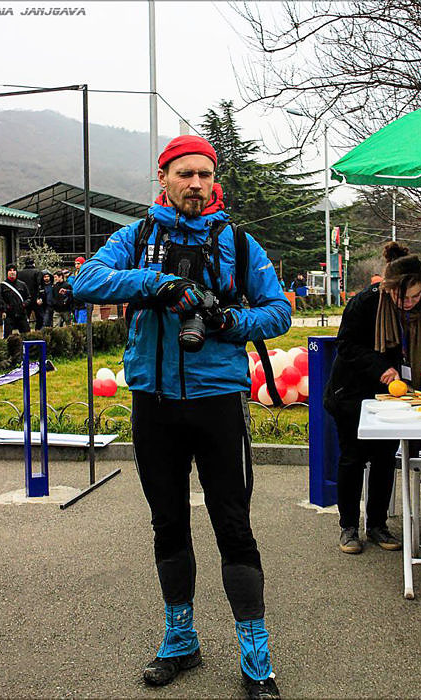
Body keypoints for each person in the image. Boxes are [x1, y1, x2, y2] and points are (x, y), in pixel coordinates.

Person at [73, 134, 291, 699]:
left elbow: (279, 312)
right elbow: (86, 281)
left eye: (204, 173)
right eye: (184, 173)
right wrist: (158, 283)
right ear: (164, 177)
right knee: (168, 524)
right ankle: (180, 641)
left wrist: (226, 322)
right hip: (154, 404)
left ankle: (256, 658)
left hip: (219, 403)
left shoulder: (239, 244)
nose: (195, 183)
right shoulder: (136, 237)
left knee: (233, 527)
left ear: (214, 179)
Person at [324, 242, 421, 555]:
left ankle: (378, 523)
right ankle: (349, 527)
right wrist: (381, 368)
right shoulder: (364, 304)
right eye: (403, 297)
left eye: (417, 296)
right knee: (353, 457)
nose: (409, 303)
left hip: (396, 396)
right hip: (352, 391)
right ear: (388, 289)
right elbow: (347, 345)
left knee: (384, 458)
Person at [0, 263, 31, 337]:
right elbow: (0, 299)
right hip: (9, 315)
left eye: (14, 270)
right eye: (10, 270)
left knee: (27, 335)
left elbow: (29, 298)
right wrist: (6, 307)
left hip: (21, 314)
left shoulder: (22, 284)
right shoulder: (2, 286)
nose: (12, 272)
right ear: (7, 272)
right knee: (7, 336)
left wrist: (24, 304)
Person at [18, 257, 43, 329]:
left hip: (24, 298)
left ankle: (25, 332)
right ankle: (37, 331)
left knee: (25, 318)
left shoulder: (20, 273)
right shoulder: (37, 272)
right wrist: (40, 297)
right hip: (35, 297)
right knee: (39, 317)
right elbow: (40, 285)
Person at [68, 256, 87, 324]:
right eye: (75, 264)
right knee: (76, 320)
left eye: (78, 264)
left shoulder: (86, 274)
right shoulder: (73, 275)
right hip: (75, 302)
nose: (76, 265)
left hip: (84, 302)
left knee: (81, 322)